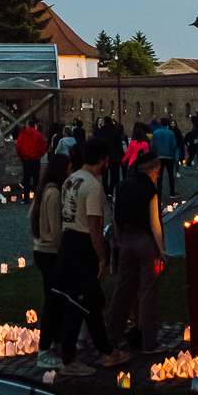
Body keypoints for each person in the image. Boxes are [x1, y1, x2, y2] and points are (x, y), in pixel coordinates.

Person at [54, 141, 128, 377]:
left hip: (69, 241)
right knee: (78, 303)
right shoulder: (94, 186)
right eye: (107, 160)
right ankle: (69, 359)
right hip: (82, 246)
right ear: (103, 160)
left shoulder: (70, 180)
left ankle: (107, 351)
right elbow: (94, 226)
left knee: (91, 302)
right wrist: (102, 257)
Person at [104, 153, 167, 356]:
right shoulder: (150, 191)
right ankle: (149, 342)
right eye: (158, 171)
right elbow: (154, 223)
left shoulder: (121, 187)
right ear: (152, 170)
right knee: (148, 291)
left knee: (122, 290)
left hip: (126, 240)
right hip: (146, 243)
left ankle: (112, 338)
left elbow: (115, 217)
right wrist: (162, 250)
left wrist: (120, 239)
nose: (158, 175)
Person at [28, 155, 70, 371]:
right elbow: (56, 230)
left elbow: (32, 215)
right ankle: (44, 349)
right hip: (50, 252)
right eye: (69, 169)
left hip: (41, 250)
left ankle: (56, 340)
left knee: (55, 299)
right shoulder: (53, 193)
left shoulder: (44, 189)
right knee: (53, 302)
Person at [15, 121, 48, 194]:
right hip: (36, 158)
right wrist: (39, 155)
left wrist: (21, 156)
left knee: (26, 178)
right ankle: (36, 195)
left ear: (28, 126)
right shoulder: (38, 134)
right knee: (36, 178)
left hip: (26, 159)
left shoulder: (23, 135)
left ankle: (26, 196)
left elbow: (18, 146)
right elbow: (43, 146)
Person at [150, 118, 180, 193]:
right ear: (168, 124)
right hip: (169, 157)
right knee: (171, 176)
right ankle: (172, 192)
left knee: (159, 176)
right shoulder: (171, 133)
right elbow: (174, 145)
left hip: (159, 157)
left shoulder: (155, 133)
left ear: (161, 123)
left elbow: (153, 146)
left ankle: (159, 192)